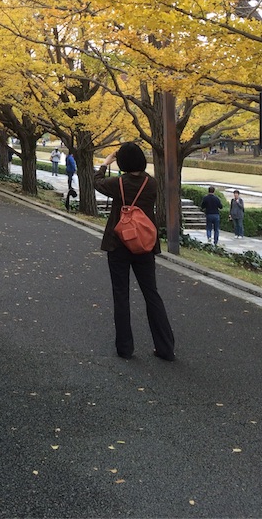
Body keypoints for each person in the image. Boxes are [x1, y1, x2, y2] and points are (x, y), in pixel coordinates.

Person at [94, 143, 175, 362]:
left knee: (121, 294)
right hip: (144, 245)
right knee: (151, 293)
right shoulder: (151, 184)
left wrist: (104, 164)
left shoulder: (117, 184)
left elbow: (97, 183)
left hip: (118, 243)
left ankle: (125, 348)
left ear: (122, 163)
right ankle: (165, 347)